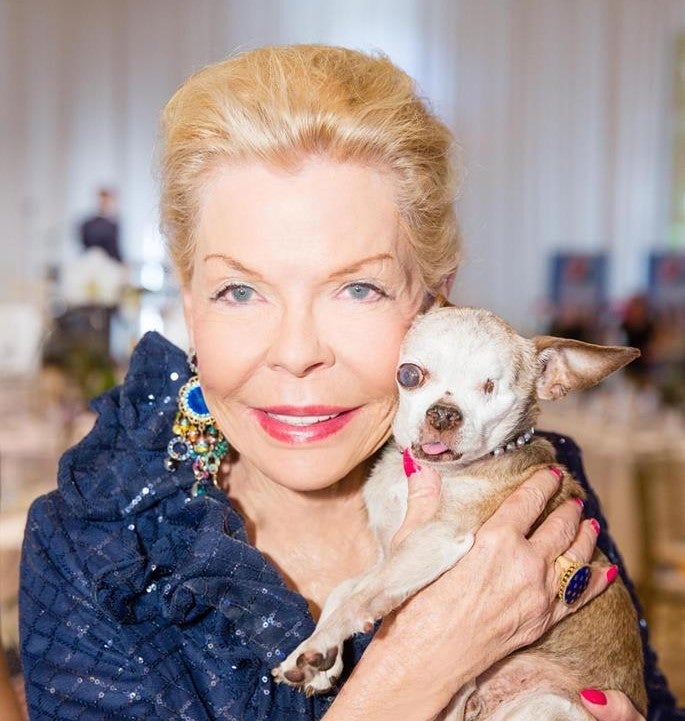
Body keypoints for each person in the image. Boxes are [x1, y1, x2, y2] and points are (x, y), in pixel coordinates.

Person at [19, 45, 682, 721]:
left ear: (432, 302)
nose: (297, 352)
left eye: (357, 288)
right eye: (239, 290)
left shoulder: (525, 489)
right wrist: (409, 671)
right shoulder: (95, 547)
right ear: (189, 300)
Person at [79, 187, 123, 263]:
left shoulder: (113, 225)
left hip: (108, 262)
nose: (104, 204)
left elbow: (115, 249)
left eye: (107, 202)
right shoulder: (87, 224)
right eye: (103, 201)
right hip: (92, 261)